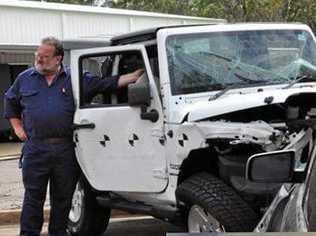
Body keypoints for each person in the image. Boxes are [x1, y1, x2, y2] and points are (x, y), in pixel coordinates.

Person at [3, 37, 143, 236]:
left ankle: (58, 233)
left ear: (58, 58)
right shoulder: (25, 78)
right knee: (33, 198)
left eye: (44, 56)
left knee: (63, 199)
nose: (39, 59)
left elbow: (105, 84)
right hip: (36, 148)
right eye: (37, 55)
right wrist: (17, 127)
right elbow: (10, 102)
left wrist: (134, 76)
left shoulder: (76, 78)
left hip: (65, 149)